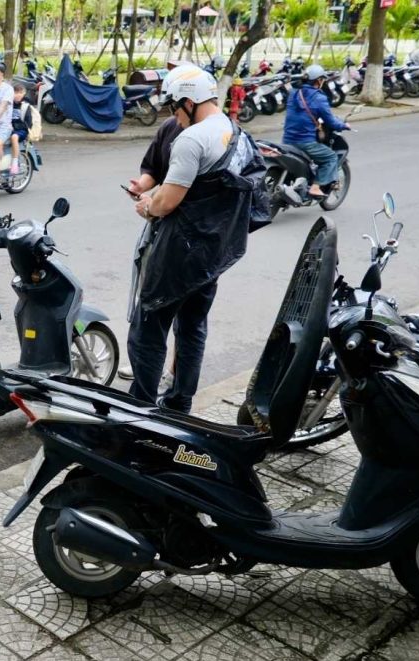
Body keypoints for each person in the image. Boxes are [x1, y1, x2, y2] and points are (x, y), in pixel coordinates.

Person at [128, 63, 260, 411]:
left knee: (148, 332)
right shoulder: (233, 132)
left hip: (179, 255)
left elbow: (167, 201)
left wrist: (147, 206)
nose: (173, 116)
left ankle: (139, 411)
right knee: (192, 329)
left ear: (189, 101)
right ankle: (179, 405)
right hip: (212, 253)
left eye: (174, 106)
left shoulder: (191, 139)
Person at [118, 115, 185, 382]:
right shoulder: (170, 126)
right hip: (160, 232)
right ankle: (145, 368)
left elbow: (168, 202)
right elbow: (153, 167)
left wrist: (150, 206)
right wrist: (142, 185)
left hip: (187, 239)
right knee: (149, 304)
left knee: (183, 316)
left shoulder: (202, 138)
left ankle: (171, 376)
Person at [283, 64, 350, 200]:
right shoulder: (319, 98)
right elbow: (331, 121)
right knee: (330, 157)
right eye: (322, 80)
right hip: (305, 142)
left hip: (287, 141)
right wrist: (343, 125)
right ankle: (315, 186)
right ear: (318, 80)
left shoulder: (293, 94)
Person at [10, 83, 32, 172]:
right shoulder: (9, 104)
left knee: (14, 137)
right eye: (16, 92)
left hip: (22, 130)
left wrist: (15, 127)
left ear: (24, 93)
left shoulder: (26, 106)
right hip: (10, 128)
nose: (18, 95)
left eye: (20, 92)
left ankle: (15, 162)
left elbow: (28, 123)